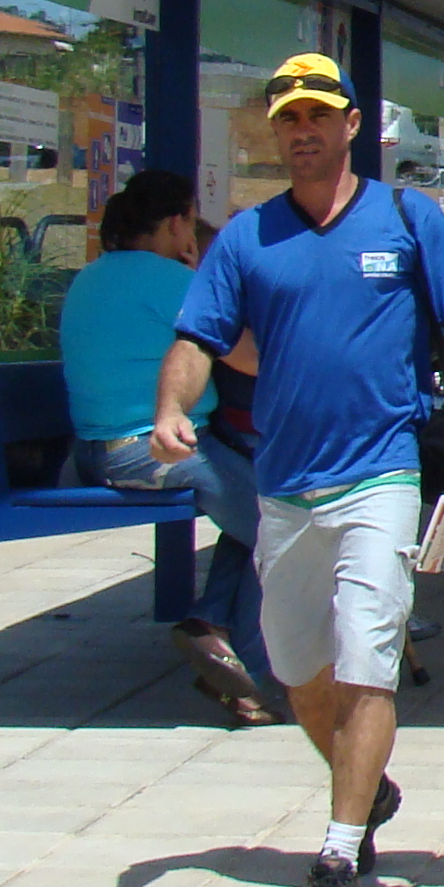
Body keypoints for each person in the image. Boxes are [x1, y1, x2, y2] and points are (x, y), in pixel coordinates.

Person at [155, 53, 444, 887]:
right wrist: (170, 406)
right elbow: (201, 333)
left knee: (367, 655)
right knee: (292, 667)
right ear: (274, 133)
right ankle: (370, 785)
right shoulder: (247, 237)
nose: (302, 130)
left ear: (353, 125)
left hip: (381, 473)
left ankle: (340, 855)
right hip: (286, 486)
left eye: (318, 114)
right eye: (287, 118)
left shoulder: (404, 217)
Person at [60, 169, 274, 727]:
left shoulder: (88, 277)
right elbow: (251, 359)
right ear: (178, 222)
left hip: (88, 451)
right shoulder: (174, 282)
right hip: (149, 451)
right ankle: (248, 669)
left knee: (261, 507)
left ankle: (212, 626)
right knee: (280, 524)